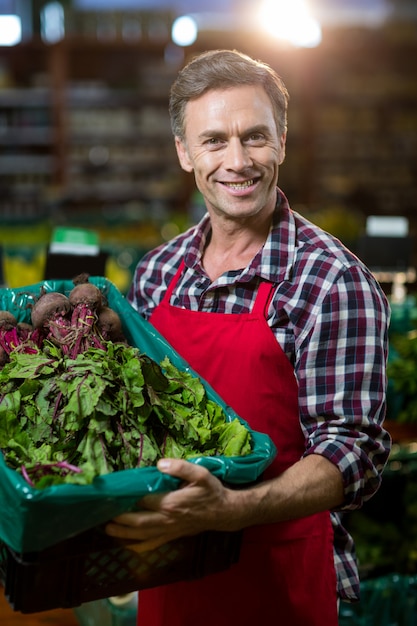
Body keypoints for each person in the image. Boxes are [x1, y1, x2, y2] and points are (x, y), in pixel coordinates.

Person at [105, 49, 392, 625]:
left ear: (282, 141)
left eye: (255, 137)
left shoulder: (331, 280)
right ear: (184, 153)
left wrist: (231, 510)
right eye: (213, 141)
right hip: (168, 572)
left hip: (277, 580)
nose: (237, 161)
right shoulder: (158, 273)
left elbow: (351, 454)